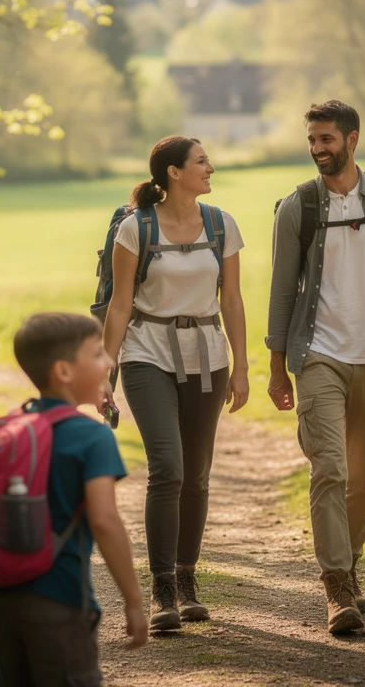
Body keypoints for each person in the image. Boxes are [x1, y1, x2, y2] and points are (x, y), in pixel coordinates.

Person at [265, 100, 365, 633]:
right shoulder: (299, 207)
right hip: (318, 355)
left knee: (364, 480)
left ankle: (350, 569)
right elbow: (282, 289)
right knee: (328, 468)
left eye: (326, 140)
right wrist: (275, 366)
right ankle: (336, 586)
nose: (317, 150)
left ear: (352, 139)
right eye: (312, 140)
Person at [0, 312, 148, 684]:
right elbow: (104, 521)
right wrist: (133, 601)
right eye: (97, 353)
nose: (110, 361)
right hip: (61, 602)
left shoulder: (4, 433)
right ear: (64, 372)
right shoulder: (92, 437)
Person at [102, 136, 249, 631]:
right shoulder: (133, 229)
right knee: (168, 466)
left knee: (197, 474)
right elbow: (121, 304)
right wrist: (107, 370)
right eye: (202, 161)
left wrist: (243, 365)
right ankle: (162, 589)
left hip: (208, 355)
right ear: (174, 173)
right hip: (148, 353)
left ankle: (187, 582)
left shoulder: (220, 224)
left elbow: (231, 299)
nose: (212, 167)